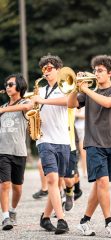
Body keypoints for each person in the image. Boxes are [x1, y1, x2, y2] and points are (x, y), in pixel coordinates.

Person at [68, 54, 111, 238]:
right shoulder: (87, 92)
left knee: (101, 185)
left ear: (110, 73)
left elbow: (107, 103)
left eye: (100, 71)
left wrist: (86, 89)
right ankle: (109, 223)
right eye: (95, 70)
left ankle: (84, 221)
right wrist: (74, 87)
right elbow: (71, 104)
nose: (96, 73)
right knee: (102, 183)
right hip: (93, 143)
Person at [32, 54, 70, 234]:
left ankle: (45, 217)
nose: (46, 72)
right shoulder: (39, 90)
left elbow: (70, 102)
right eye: (43, 69)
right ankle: (62, 220)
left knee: (57, 181)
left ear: (58, 70)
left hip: (63, 139)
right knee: (52, 179)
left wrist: (43, 101)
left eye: (49, 68)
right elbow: (33, 107)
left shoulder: (66, 87)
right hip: (44, 139)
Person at [0, 73, 33, 230]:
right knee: (4, 184)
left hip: (19, 151)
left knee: (17, 187)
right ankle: (5, 217)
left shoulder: (25, 102)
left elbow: (28, 107)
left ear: (19, 86)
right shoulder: (2, 108)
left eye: (10, 84)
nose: (7, 87)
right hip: (3, 151)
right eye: (6, 85)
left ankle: (13, 211)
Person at [75, 107, 87, 177]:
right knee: (78, 151)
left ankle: (85, 171)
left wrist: (75, 114)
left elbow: (86, 115)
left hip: (83, 129)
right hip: (76, 128)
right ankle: (82, 170)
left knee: (83, 151)